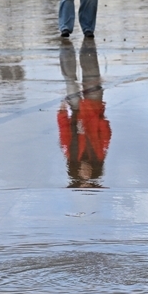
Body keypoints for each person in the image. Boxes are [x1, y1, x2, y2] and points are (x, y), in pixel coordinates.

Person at [58, 38, 111, 187]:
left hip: (76, 110)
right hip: (94, 109)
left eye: (83, 176)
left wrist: (62, 114)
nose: (86, 173)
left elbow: (64, 136)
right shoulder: (99, 156)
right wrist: (101, 120)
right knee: (92, 77)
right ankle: (88, 49)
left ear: (78, 173)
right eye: (88, 176)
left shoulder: (72, 157)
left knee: (70, 80)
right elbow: (105, 137)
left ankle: (66, 51)